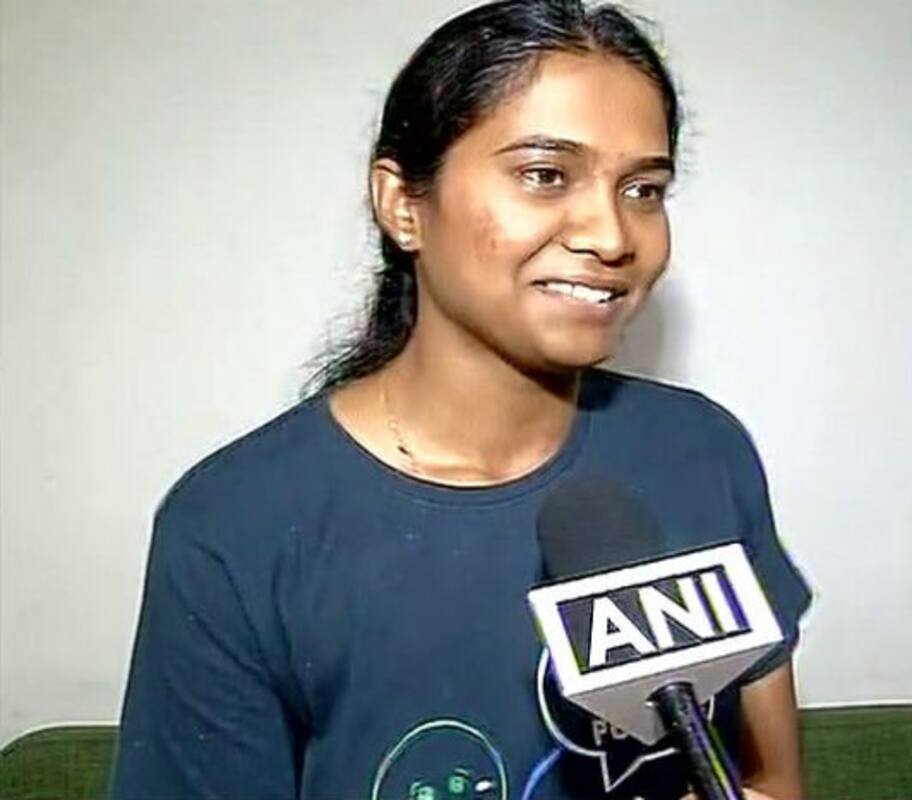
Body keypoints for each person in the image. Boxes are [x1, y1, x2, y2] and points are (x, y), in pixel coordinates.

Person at [110, 2, 812, 799]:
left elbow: (775, 779)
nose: (614, 235)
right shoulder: (237, 524)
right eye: (545, 175)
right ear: (402, 204)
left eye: (644, 189)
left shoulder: (699, 452)